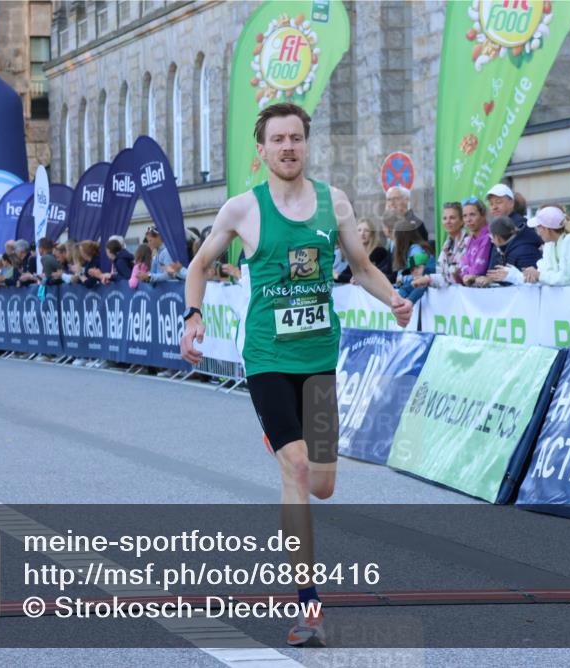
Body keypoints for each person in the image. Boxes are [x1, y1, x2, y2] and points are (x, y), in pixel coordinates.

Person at [180, 102, 411, 648]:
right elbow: (199, 265)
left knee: (325, 485)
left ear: (307, 145)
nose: (287, 147)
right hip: (266, 359)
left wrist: (393, 299)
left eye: (296, 139)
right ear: (261, 150)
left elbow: (360, 267)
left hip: (319, 358)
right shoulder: (241, 209)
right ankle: (308, 603)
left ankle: (285, 446)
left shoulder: (334, 203)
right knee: (300, 469)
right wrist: (194, 317)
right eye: (277, 139)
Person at [516, 207, 570, 286]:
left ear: (547, 229)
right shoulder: (549, 244)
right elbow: (545, 271)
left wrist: (539, 276)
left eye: (539, 228)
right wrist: (534, 275)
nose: (538, 233)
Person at [412, 202, 468, 290]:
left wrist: (428, 279)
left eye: (452, 218)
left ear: (462, 221)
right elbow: (440, 272)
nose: (448, 221)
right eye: (445, 218)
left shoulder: (468, 242)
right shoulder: (447, 244)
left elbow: (457, 275)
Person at [475, 216, 544, 286]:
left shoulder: (523, 252)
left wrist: (497, 281)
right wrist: (492, 281)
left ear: (497, 238)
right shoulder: (513, 248)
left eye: (491, 237)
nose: (492, 241)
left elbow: (530, 282)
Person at [486, 183, 543, 256]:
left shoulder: (521, 227)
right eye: (491, 204)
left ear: (511, 203)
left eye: (498, 202)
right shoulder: (499, 226)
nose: (494, 207)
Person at [338, 218, 390, 284]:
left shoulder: (379, 252)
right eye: (359, 230)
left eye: (366, 231)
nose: (362, 233)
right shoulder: (356, 254)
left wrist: (337, 276)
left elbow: (371, 276)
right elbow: (346, 274)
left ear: (372, 234)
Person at [393, 228, 435, 304]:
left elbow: (417, 276)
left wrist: (402, 279)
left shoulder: (415, 250)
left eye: (395, 237)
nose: (394, 240)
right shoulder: (412, 250)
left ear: (401, 238)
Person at [458, 197, 492, 286]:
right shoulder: (470, 239)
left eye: (472, 214)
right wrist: (465, 274)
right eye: (465, 216)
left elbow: (479, 269)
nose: (468, 220)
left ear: (483, 215)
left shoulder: (488, 236)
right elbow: (463, 265)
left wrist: (467, 274)